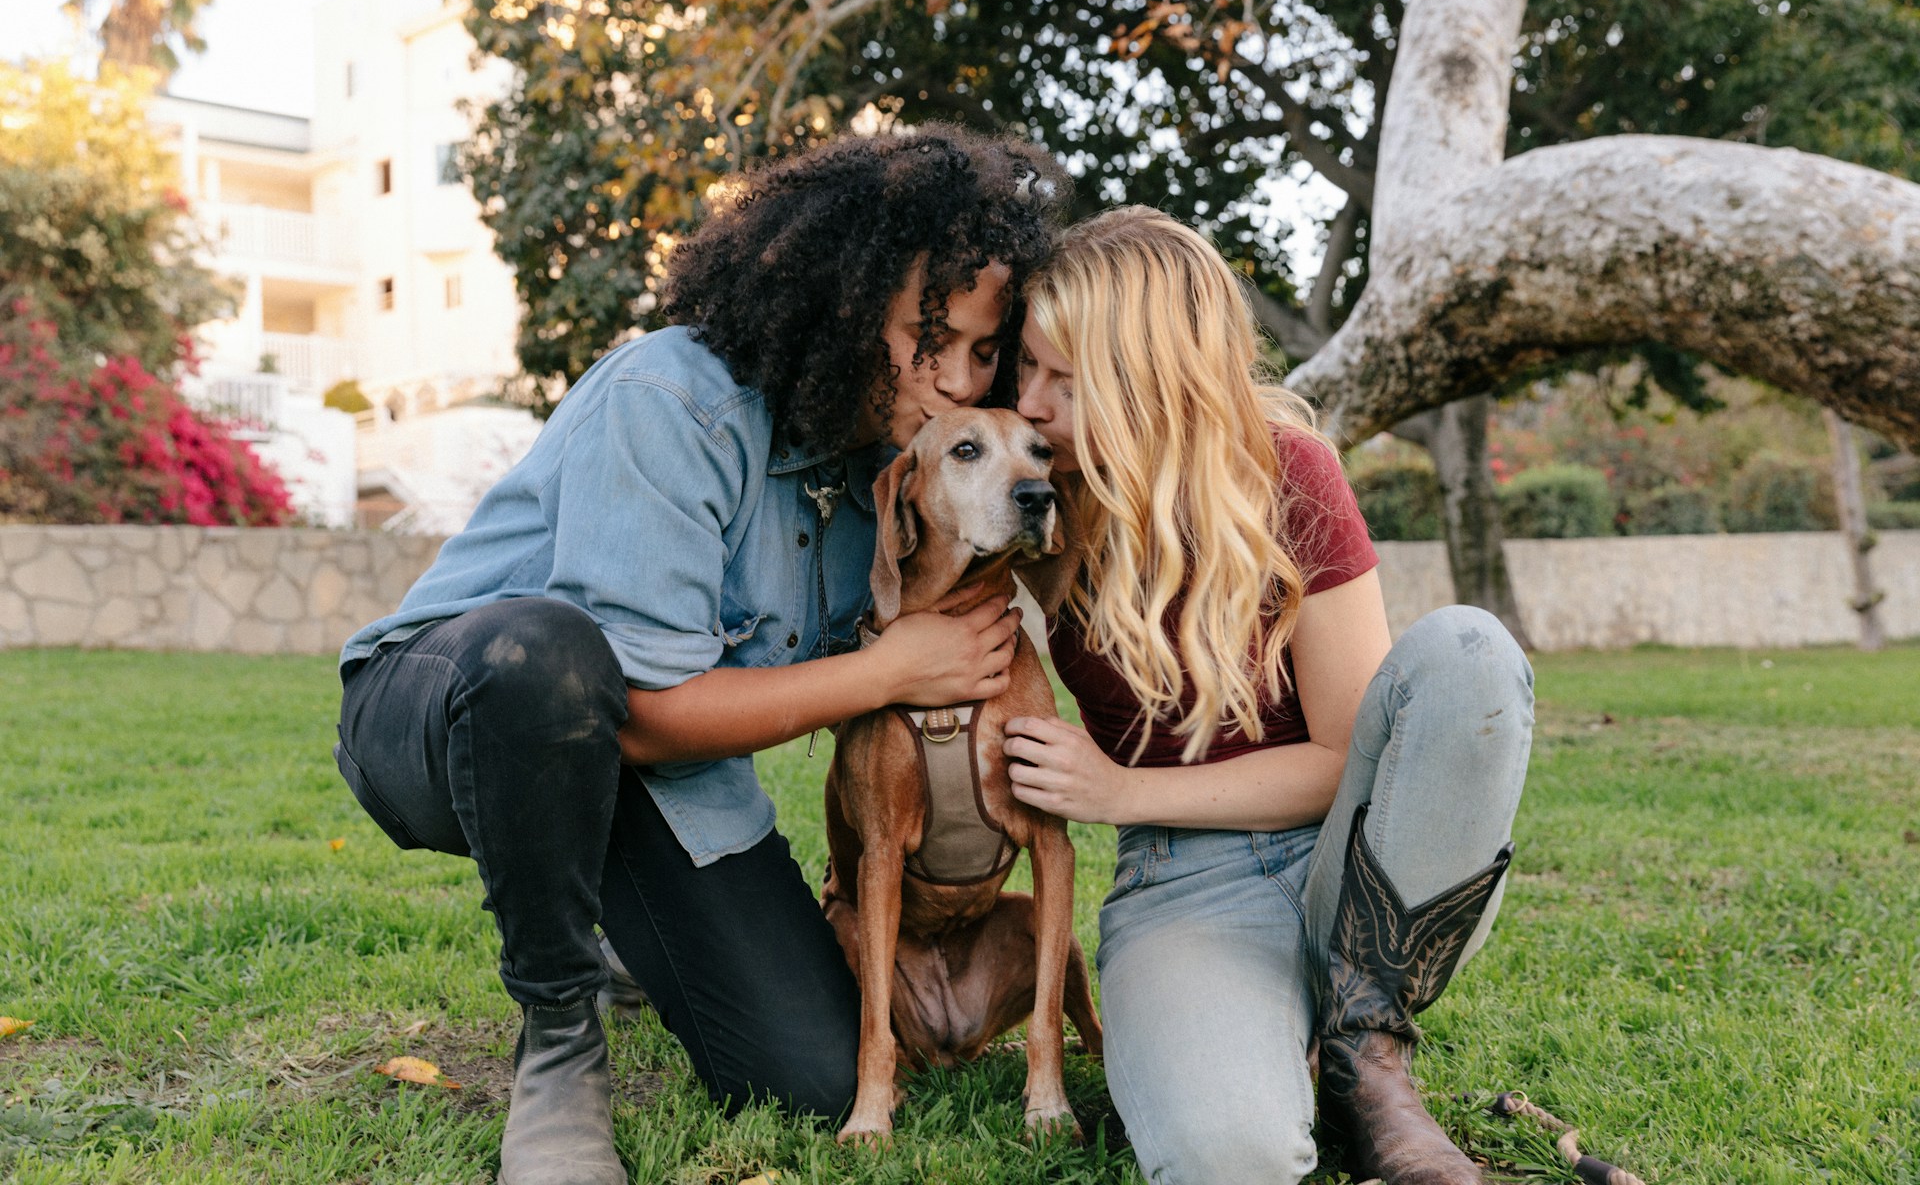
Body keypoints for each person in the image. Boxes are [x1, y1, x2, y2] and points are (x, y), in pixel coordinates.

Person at [332, 126, 1064, 1184]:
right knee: (551, 658)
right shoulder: (672, 400)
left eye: (983, 350)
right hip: (455, 709)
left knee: (809, 1074)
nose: (954, 382)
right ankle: (558, 1035)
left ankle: (638, 923)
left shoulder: (908, 474)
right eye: (925, 338)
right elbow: (634, 707)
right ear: (843, 302)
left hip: (655, 778)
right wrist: (894, 669)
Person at [1001, 206, 1532, 1185]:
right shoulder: (1042, 504)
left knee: (1469, 652)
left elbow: (1342, 757)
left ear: (1146, 381)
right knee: (1226, 1154)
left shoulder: (1289, 475)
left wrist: (1119, 789)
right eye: (1026, 367)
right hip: (1185, 884)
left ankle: (1365, 1056)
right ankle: (1275, 1041)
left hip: (1365, 868)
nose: (1029, 402)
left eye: (1062, 380)